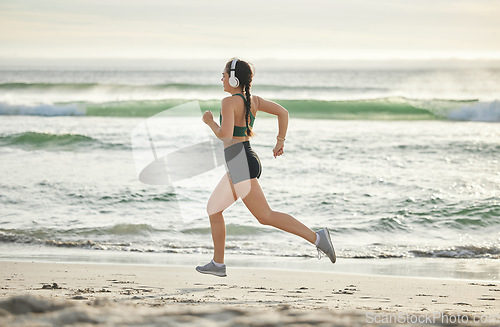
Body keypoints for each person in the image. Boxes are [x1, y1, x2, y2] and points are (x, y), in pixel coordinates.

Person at [198, 58, 336, 277]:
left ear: (234, 79)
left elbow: (224, 135)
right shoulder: (254, 100)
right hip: (245, 159)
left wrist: (210, 122)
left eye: (224, 75)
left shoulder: (228, 102)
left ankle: (318, 238)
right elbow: (284, 113)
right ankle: (217, 263)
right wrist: (280, 140)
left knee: (265, 215)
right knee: (215, 210)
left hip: (239, 162)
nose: (222, 79)